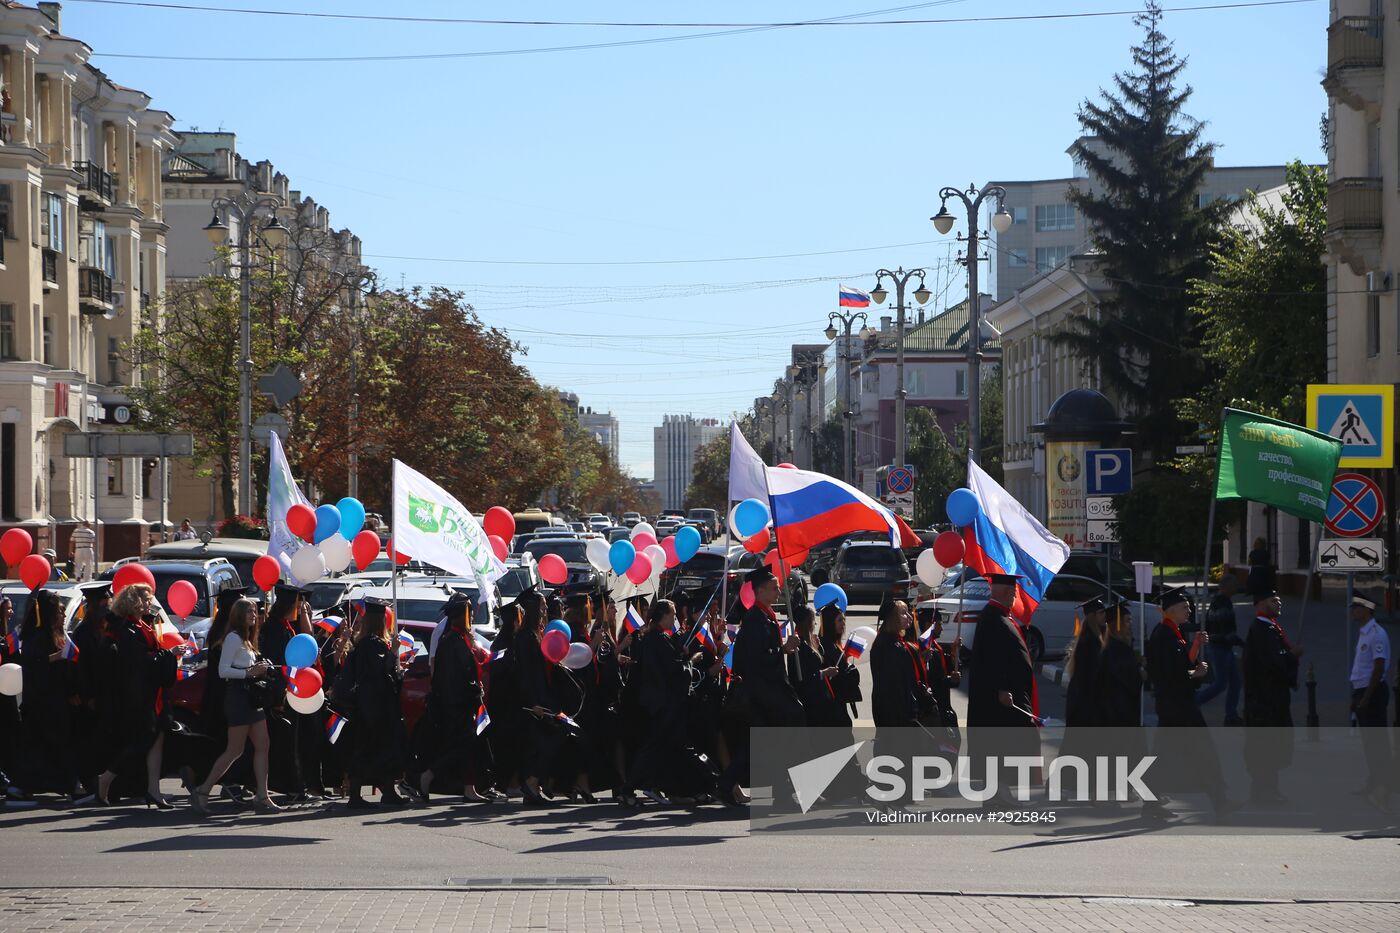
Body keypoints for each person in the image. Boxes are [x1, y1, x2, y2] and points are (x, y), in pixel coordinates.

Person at [190, 598, 279, 814]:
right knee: (234, 750)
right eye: (249, 611)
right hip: (239, 697)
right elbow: (223, 670)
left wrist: (259, 669)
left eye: (255, 611)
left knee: (263, 745)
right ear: (239, 615)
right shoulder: (233, 638)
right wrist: (249, 672)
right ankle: (203, 791)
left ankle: (262, 796)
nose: (254, 615)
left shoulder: (248, 640)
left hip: (251, 697)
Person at [1146, 587, 1229, 813]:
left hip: (1175, 705)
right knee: (1201, 752)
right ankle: (1220, 800)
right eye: (1184, 607)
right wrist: (1196, 674)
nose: (1189, 610)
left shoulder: (1173, 633)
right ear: (1170, 610)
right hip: (1178, 706)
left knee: (1166, 755)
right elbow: (1171, 674)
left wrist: (1195, 649)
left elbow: (1180, 663)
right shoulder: (1164, 635)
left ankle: (1151, 803)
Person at [95, 583, 177, 808]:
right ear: (136, 601)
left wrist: (165, 655)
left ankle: (153, 789)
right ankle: (108, 776)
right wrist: (169, 654)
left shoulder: (141, 625)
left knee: (157, 740)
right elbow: (140, 662)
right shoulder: (126, 629)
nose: (151, 603)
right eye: (147, 599)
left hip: (153, 692)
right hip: (138, 694)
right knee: (144, 740)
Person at [965, 573, 1039, 804]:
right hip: (999, 701)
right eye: (1014, 592)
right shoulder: (992, 618)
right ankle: (999, 792)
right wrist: (1002, 688)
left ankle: (1000, 791)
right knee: (1000, 746)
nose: (1016, 596)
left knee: (1004, 746)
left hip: (1005, 699)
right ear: (1007, 592)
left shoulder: (998, 617)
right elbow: (993, 659)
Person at [418, 593, 493, 803]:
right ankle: (428, 775)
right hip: (456, 704)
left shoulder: (459, 639)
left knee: (468, 746)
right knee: (462, 745)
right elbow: (456, 677)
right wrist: (475, 692)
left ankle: (469, 788)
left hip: (463, 702)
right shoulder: (451, 641)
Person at [337, 598, 406, 809]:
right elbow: (383, 671)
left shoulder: (360, 644)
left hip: (363, 703)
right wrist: (394, 651)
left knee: (367, 747)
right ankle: (370, 794)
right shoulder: (374, 644)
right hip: (377, 703)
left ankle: (375, 792)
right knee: (380, 746)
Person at [625, 599, 690, 805]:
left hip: (659, 701)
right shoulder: (656, 639)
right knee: (653, 747)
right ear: (663, 616)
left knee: (662, 747)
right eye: (672, 614)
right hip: (662, 702)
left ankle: (662, 786)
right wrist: (690, 663)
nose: (675, 618)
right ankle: (630, 788)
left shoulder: (656, 638)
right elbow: (672, 670)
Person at [260, 583, 321, 801]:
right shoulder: (275, 629)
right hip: (282, 692)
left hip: (289, 690)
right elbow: (277, 663)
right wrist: (280, 693)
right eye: (298, 603)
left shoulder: (283, 626)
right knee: (289, 743)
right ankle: (295, 788)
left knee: (294, 741)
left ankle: (296, 786)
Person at [17, 590, 81, 798]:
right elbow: (32, 665)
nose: (60, 615)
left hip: (56, 697)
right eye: (57, 611)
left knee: (59, 743)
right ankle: (30, 786)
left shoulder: (56, 633)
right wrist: (57, 657)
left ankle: (65, 784)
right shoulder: (35, 635)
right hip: (40, 700)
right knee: (41, 745)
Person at [1242, 588, 1301, 805]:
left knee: (1273, 748)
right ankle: (1261, 791)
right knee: (1264, 749)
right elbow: (1273, 663)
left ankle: (1270, 789)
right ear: (1259, 603)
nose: (1278, 602)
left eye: (1279, 598)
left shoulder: (1271, 629)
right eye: (1272, 599)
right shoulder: (1261, 630)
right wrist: (1291, 656)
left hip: (1273, 700)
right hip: (1264, 703)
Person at [731, 564, 804, 727]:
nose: (779, 592)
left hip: (768, 691)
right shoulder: (755, 620)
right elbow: (758, 658)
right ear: (761, 591)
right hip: (761, 696)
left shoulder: (765, 616)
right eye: (774, 588)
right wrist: (783, 649)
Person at [70, 582, 116, 792]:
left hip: (107, 694)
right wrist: (88, 696)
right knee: (89, 742)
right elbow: (81, 668)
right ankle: (90, 783)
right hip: (90, 697)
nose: (108, 610)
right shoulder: (83, 633)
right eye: (104, 605)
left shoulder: (109, 630)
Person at [1347, 594, 1392, 812]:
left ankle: (1383, 789)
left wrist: (1364, 698)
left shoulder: (1376, 634)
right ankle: (1374, 782)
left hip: (1372, 694)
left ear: (1367, 610)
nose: (1352, 610)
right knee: (1369, 744)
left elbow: (1379, 667)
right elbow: (1361, 668)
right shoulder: (1364, 633)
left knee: (1377, 744)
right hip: (1362, 692)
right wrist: (1355, 697)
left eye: (1356, 607)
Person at [1196, 574, 1244, 725]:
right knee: (1221, 683)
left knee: (1235, 681)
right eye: (1234, 585)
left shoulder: (1221, 601)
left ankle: (1231, 715)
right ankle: (1193, 702)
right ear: (1227, 587)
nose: (1236, 588)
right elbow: (1224, 628)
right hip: (1219, 647)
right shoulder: (1222, 603)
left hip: (1222, 647)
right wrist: (1240, 642)